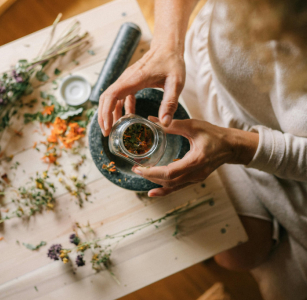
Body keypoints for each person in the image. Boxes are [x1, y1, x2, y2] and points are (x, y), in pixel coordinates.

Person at [97, 0, 307, 299]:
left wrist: (235, 147)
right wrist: (167, 44)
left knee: (265, 276)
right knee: (236, 256)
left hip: (283, 158)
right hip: (207, 75)